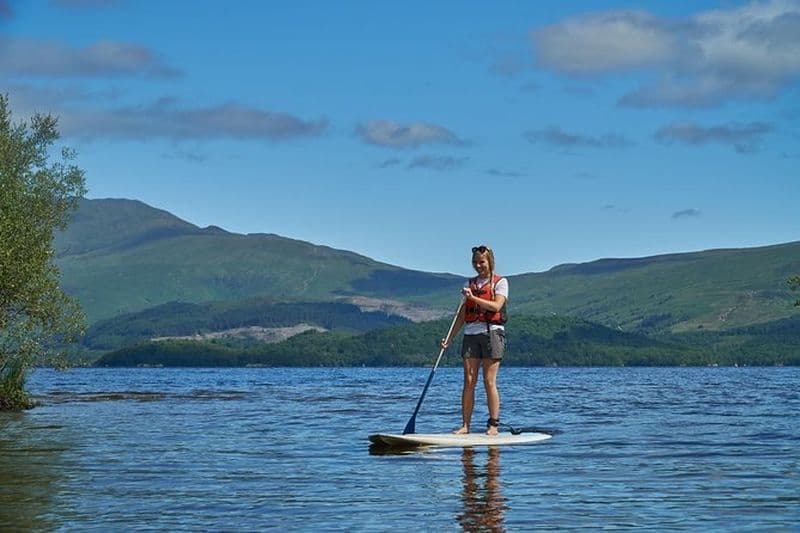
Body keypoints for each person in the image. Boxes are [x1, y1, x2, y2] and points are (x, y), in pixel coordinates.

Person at [441, 245, 508, 436]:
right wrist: (449, 339)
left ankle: (493, 425)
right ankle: (465, 425)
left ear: (490, 262)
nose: (478, 266)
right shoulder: (469, 284)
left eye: (482, 262)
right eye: (475, 262)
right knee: (469, 381)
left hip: (492, 333)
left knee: (489, 381)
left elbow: (496, 306)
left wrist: (474, 298)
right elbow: (461, 316)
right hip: (471, 334)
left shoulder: (500, 283)